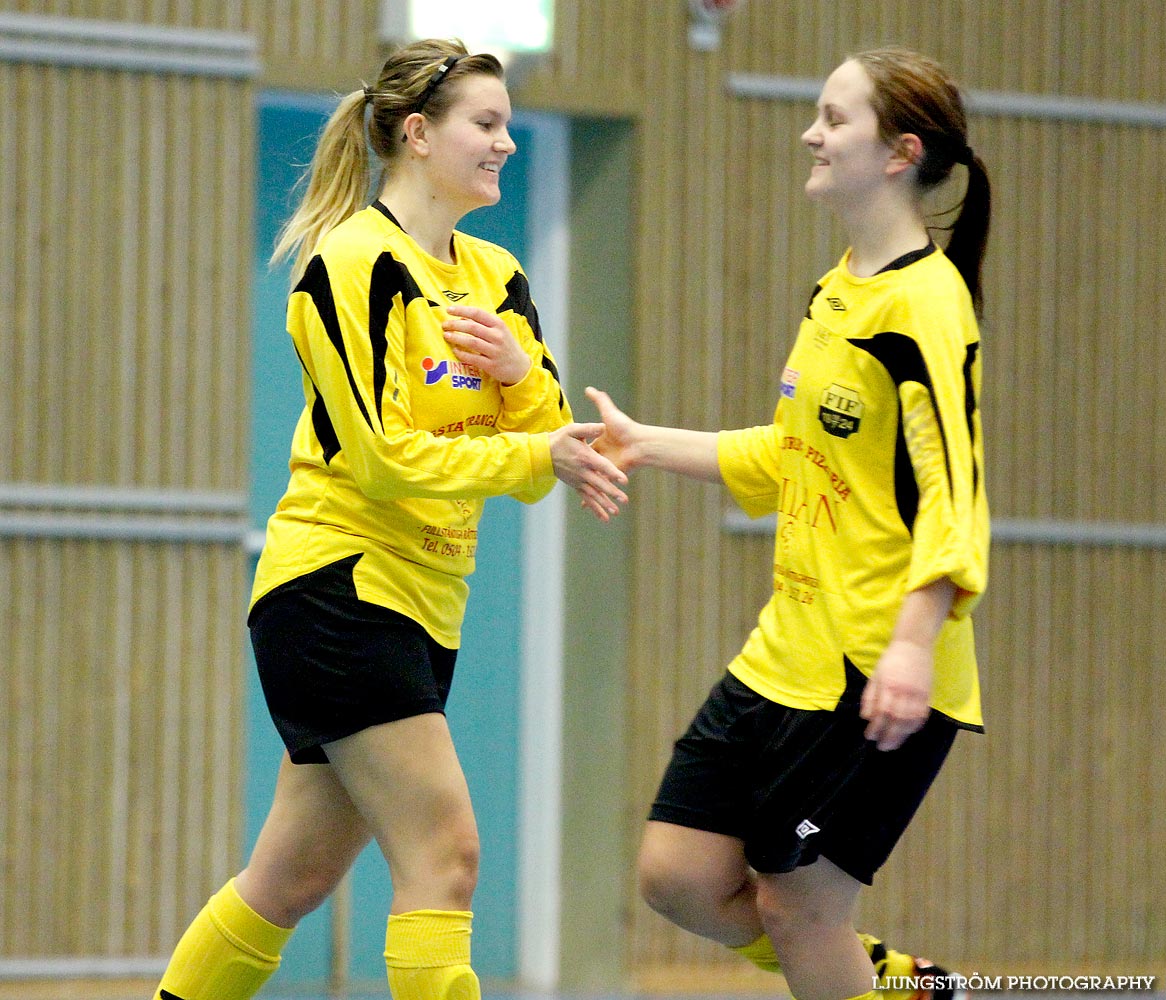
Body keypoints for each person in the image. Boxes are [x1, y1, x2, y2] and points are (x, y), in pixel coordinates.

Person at [151, 38, 628, 1000]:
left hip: (425, 604)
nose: (505, 144)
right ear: (417, 134)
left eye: (506, 126)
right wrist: (533, 449)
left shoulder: (497, 275)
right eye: (485, 125)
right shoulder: (352, 263)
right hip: (337, 590)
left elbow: (540, 461)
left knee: (291, 878)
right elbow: (382, 456)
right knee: (446, 854)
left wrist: (517, 376)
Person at [587, 47, 990, 1000]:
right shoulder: (837, 289)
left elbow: (955, 495)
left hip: (873, 663)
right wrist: (648, 442)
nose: (811, 132)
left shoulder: (925, 307)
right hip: (785, 654)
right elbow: (790, 456)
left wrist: (912, 645)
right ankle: (888, 984)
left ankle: (849, 971)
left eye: (833, 118)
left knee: (800, 906)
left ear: (899, 152)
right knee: (678, 877)